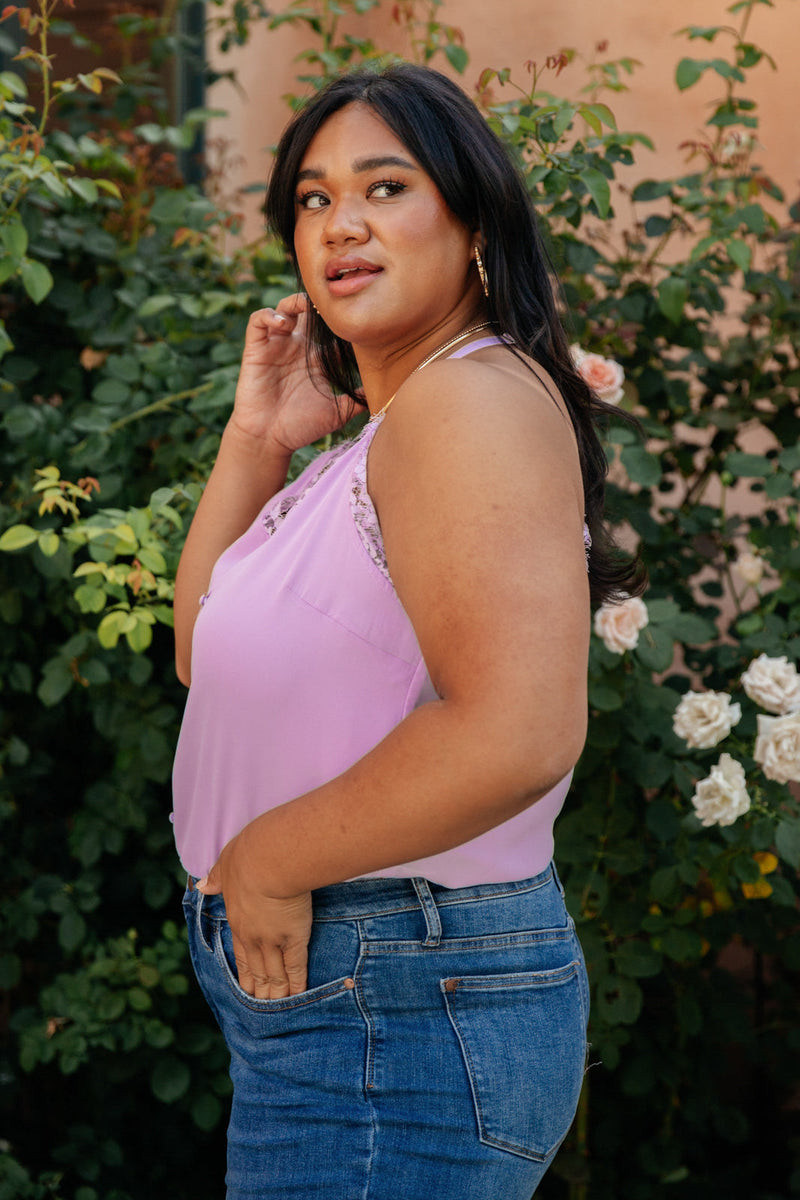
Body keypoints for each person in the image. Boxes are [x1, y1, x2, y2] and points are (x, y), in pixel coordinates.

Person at [172, 62, 641, 1200]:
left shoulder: (463, 403)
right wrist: (258, 436)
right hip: (365, 991)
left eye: (385, 187)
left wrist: (270, 861)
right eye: (314, 199)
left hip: (398, 997)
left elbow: (519, 731)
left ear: (472, 219)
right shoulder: (380, 438)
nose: (341, 224)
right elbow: (202, 652)